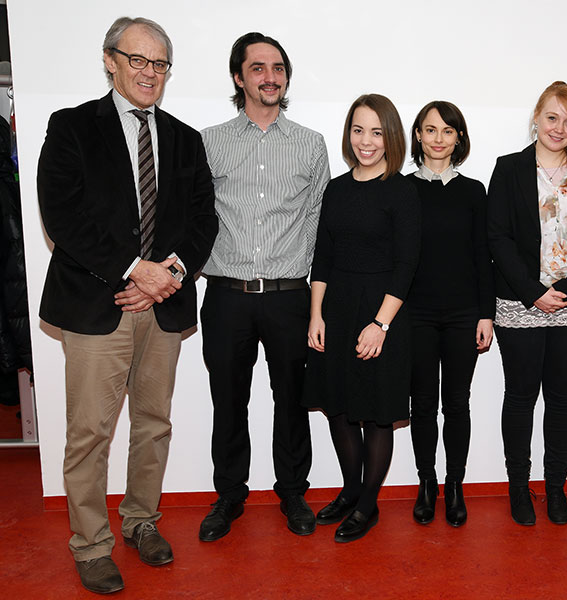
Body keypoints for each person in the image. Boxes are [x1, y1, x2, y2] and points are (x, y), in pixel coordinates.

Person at [36, 17, 217, 594]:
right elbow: (62, 215)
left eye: (159, 63)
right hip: (98, 306)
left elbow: (203, 220)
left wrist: (168, 275)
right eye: (137, 59)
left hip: (162, 308)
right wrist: (134, 269)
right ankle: (91, 546)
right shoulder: (71, 127)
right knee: (90, 432)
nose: (149, 72)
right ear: (110, 60)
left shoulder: (185, 138)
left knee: (154, 424)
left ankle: (142, 522)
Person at [197, 33, 329, 542]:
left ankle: (293, 492)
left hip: (289, 296)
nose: (269, 77)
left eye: (277, 68)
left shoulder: (310, 144)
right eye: (258, 68)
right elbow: (195, 217)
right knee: (228, 400)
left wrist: (312, 292)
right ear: (239, 77)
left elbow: (319, 221)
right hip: (226, 295)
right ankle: (229, 495)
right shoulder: (210, 142)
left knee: (292, 400)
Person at [487, 81, 567, 526]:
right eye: (552, 117)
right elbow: (497, 236)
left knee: (562, 399)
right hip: (519, 303)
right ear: (536, 118)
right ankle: (519, 488)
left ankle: (556, 488)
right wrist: (533, 292)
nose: (559, 128)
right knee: (520, 397)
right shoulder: (508, 169)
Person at [304, 94, 420, 542]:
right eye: (357, 130)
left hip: (382, 313)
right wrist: (316, 315)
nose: (366, 141)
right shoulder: (336, 189)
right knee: (338, 406)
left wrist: (380, 324)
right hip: (336, 309)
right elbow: (323, 257)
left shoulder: (402, 190)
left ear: (390, 136)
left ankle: (368, 505)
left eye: (375, 131)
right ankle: (350, 491)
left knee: (376, 414)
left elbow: (406, 264)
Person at [406, 101, 494, 527]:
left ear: (459, 138)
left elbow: (483, 256)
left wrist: (486, 314)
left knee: (457, 403)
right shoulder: (402, 189)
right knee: (422, 404)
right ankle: (427, 484)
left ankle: (455, 484)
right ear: (418, 136)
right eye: (430, 130)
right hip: (415, 314)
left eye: (447, 130)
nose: (438, 138)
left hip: (464, 314)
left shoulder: (473, 191)